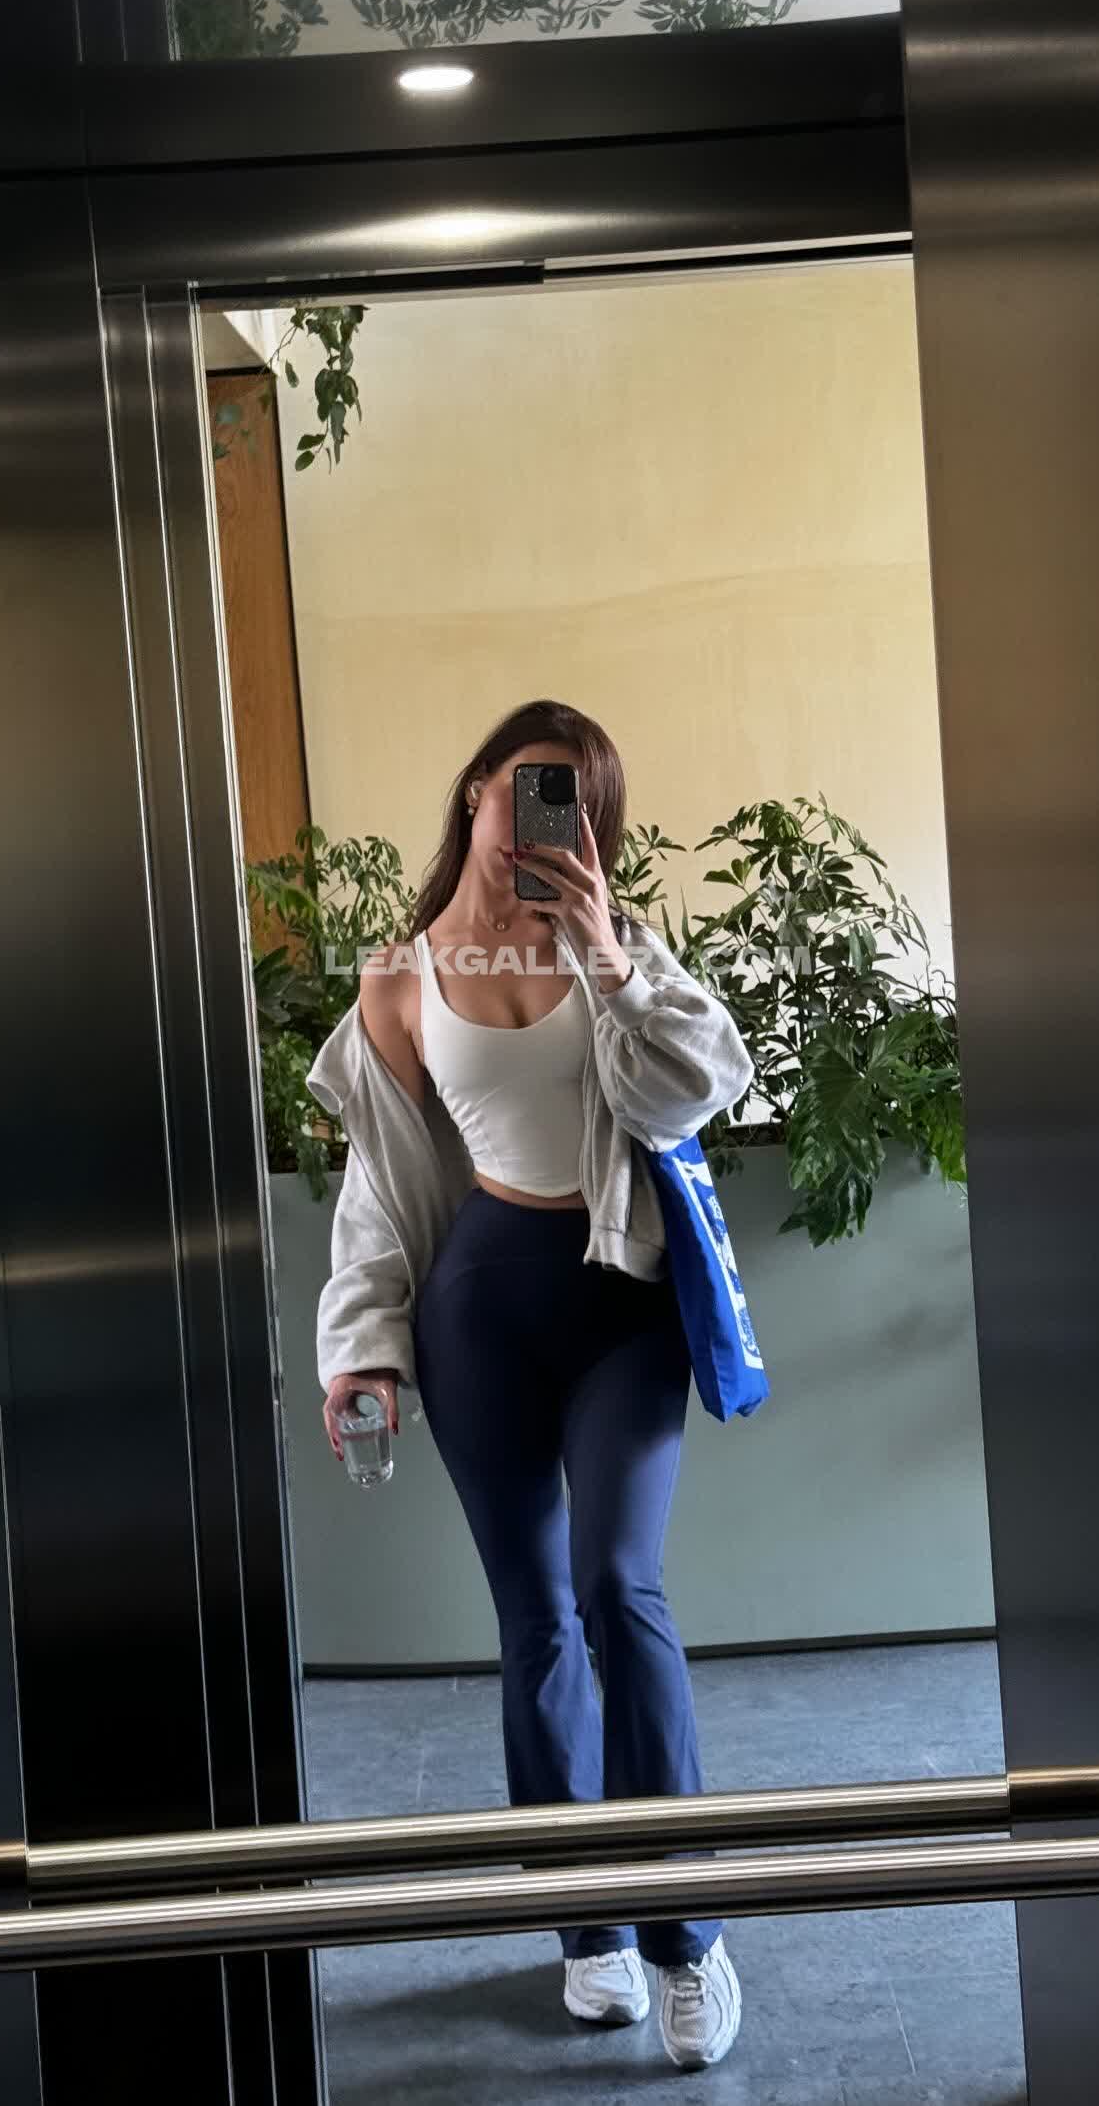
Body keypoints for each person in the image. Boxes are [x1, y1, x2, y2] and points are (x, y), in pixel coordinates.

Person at [313, 699, 754, 2072]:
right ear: (474, 796)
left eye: (576, 800)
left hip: (621, 1303)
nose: (542, 818)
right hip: (481, 1312)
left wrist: (610, 962)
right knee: (535, 1621)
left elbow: (701, 1084)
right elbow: (381, 1194)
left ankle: (686, 1935)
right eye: (526, 788)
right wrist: (360, 1347)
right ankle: (586, 1926)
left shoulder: (617, 949)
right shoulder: (397, 983)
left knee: (621, 1586)